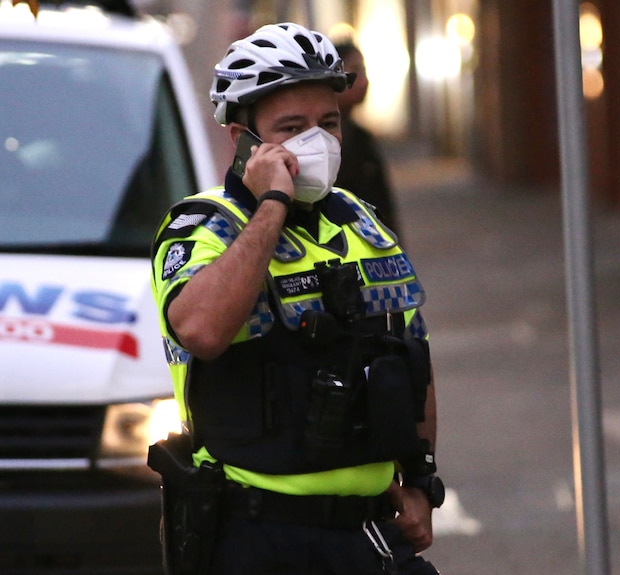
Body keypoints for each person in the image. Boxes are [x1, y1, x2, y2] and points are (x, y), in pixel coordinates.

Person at [149, 22, 442, 575]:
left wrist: (422, 479)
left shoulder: (361, 222)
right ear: (242, 140)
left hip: (368, 531)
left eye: (327, 123)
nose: (318, 142)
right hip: (258, 534)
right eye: (292, 127)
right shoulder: (202, 227)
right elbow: (202, 330)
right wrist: (273, 205)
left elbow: (413, 356)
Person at [333, 39, 402, 238]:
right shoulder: (328, 141)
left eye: (365, 71)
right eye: (355, 70)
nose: (365, 81)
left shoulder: (361, 137)